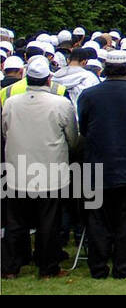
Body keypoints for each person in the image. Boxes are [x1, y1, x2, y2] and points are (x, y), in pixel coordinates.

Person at [78, 49, 126, 279]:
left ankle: (99, 268)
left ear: (105, 67)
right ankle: (122, 267)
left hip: (97, 164)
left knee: (97, 218)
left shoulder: (89, 95)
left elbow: (84, 128)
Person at [1, 56, 79, 278]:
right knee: (48, 222)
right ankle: (47, 268)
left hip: (18, 170)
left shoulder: (10, 103)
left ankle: (10, 268)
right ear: (48, 80)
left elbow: (5, 132)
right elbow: (72, 138)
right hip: (50, 172)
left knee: (15, 222)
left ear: (27, 79)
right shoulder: (61, 104)